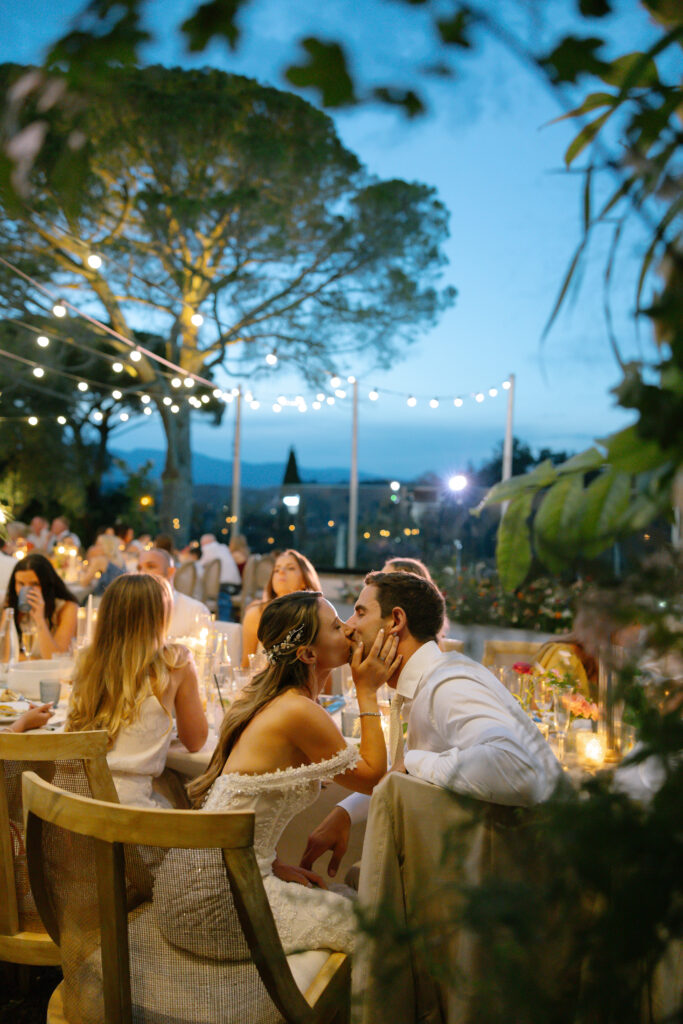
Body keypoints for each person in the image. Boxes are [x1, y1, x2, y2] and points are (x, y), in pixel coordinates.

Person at [171, 590, 398, 957]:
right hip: (218, 901)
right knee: (377, 934)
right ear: (308, 654)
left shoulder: (280, 702)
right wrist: (367, 690)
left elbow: (241, 806)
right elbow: (374, 778)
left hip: (207, 881)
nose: (350, 631)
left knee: (340, 896)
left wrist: (271, 864)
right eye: (336, 626)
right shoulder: (297, 710)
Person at [301, 570, 562, 879]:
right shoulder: (428, 680)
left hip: (498, 882)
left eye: (360, 612)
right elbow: (416, 770)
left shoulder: (449, 684)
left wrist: (411, 762)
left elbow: (521, 768)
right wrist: (345, 812)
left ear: (396, 621)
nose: (349, 626)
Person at [65, 573, 208, 807]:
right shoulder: (175, 661)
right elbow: (195, 741)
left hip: (74, 802)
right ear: (160, 617)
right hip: (127, 813)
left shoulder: (87, 660)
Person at [241, 549, 321, 667]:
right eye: (276, 570)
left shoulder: (317, 615)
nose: (281, 572)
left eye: (290, 568)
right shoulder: (257, 614)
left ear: (305, 579)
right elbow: (246, 665)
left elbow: (324, 673)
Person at [3, 553, 78, 659]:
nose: (27, 590)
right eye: (21, 584)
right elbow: (4, 655)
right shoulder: (11, 606)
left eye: (34, 584)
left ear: (46, 584)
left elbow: (56, 658)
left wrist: (39, 619)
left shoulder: (67, 608)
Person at [138, 547, 210, 637]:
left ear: (170, 572)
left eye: (151, 567)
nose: (141, 573)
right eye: (139, 568)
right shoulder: (135, 609)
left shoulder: (195, 611)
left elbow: (202, 649)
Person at [198, 533, 241, 621]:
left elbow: (199, 567)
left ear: (203, 543)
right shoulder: (224, 548)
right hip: (236, 587)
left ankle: (223, 622)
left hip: (224, 587)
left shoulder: (208, 548)